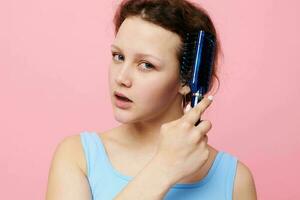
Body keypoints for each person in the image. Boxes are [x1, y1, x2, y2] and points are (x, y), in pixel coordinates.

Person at [46, 0, 257, 199]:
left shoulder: (234, 181)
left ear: (187, 79)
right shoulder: (78, 157)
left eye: (146, 65)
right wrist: (164, 168)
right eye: (118, 56)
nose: (121, 78)